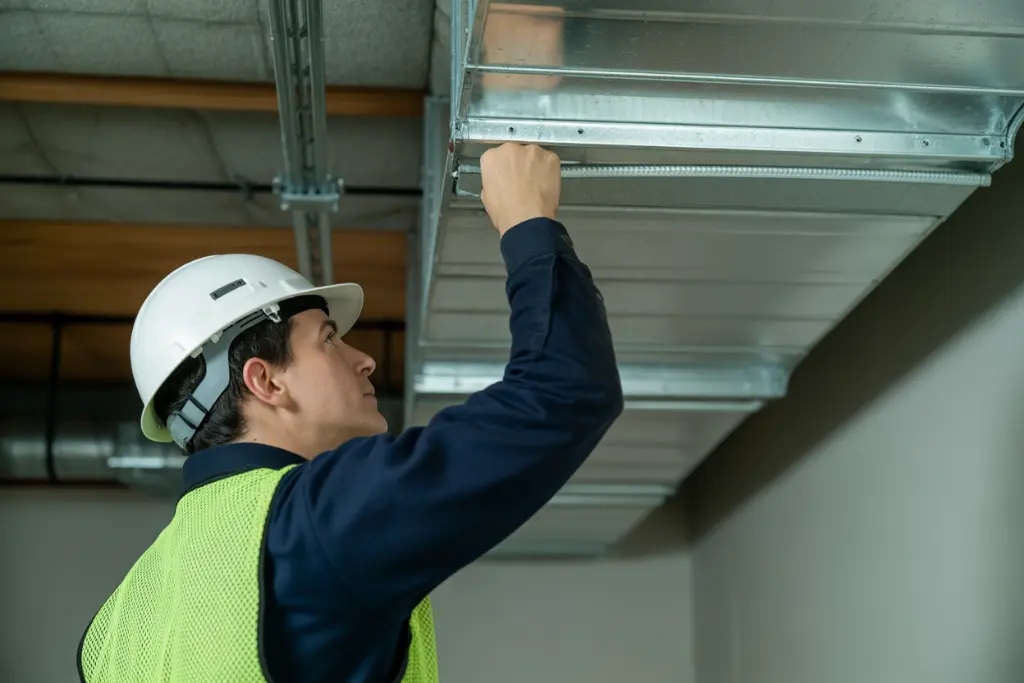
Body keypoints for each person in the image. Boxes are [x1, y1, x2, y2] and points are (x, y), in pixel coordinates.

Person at [76, 142, 623, 683]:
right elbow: (563, 392)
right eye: (330, 339)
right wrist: (528, 219)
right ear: (264, 380)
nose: (364, 359)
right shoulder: (317, 519)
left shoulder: (118, 625)